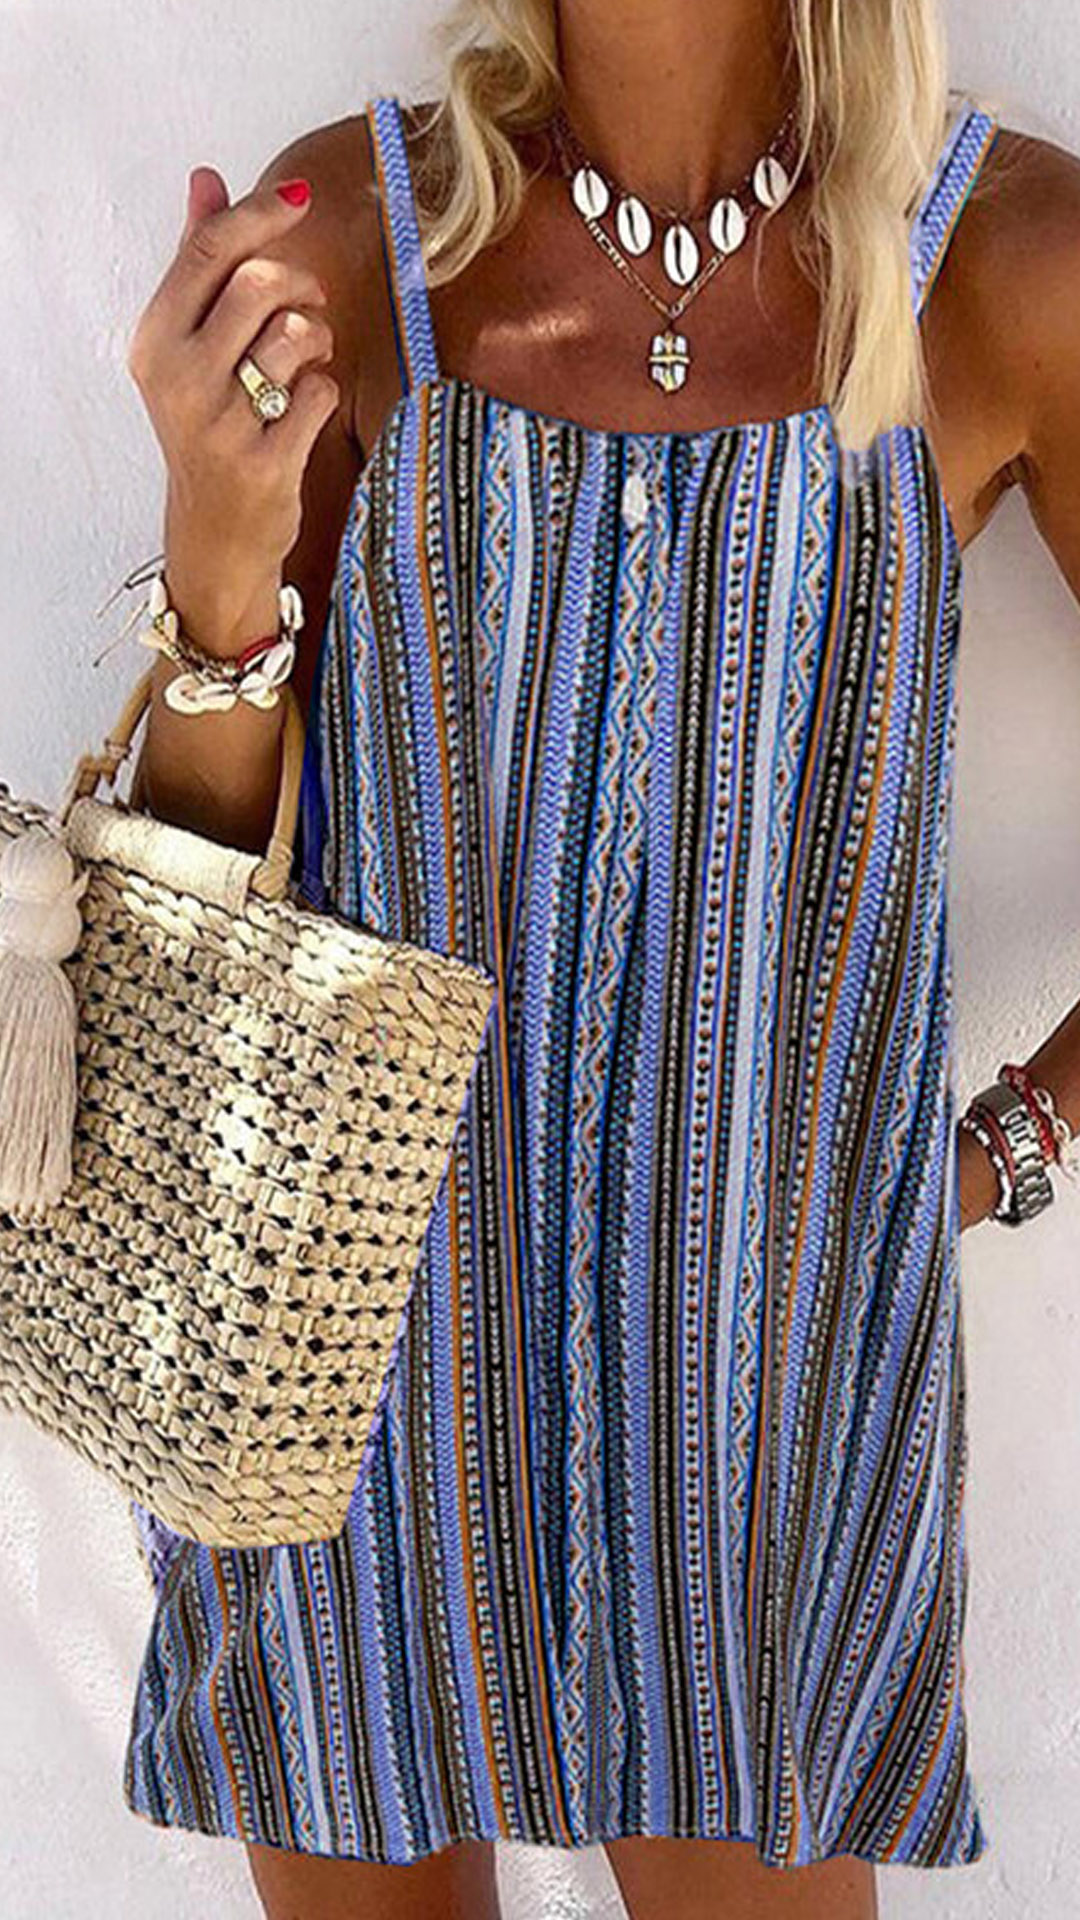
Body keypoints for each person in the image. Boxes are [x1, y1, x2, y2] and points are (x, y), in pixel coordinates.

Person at [118, 0, 1080, 1916]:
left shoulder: (998, 263)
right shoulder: (354, 244)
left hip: (760, 1439)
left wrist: (999, 1150)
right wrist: (219, 567)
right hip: (340, 1399)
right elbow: (204, 904)